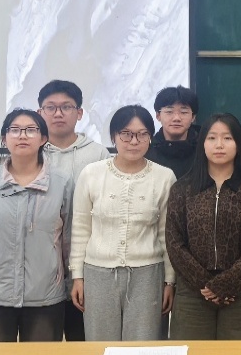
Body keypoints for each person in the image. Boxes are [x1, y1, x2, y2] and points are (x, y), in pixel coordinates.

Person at [0, 109, 72, 342]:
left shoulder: (62, 183)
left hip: (45, 295)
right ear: (4, 138)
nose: (22, 135)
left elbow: (69, 239)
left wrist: (71, 283)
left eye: (31, 130)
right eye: (15, 130)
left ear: (43, 138)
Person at [69, 105, 177, 341]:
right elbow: (80, 228)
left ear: (150, 137)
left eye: (142, 134)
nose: (134, 141)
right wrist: (77, 276)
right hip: (98, 273)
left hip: (148, 274)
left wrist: (169, 280)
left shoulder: (164, 177)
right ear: (113, 136)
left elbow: (167, 233)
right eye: (126, 134)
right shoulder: (91, 174)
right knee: (100, 345)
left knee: (144, 348)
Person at [165, 113, 241, 340]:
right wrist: (206, 285)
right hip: (193, 291)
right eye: (212, 138)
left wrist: (227, 283)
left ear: (238, 143)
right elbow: (174, 241)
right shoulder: (183, 188)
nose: (219, 145)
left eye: (227, 138)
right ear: (202, 143)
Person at [37, 79, 109, 342]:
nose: (58, 113)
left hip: (87, 261)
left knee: (84, 340)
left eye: (66, 107)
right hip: (42, 263)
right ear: (40, 113)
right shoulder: (32, 153)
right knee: (44, 344)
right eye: (51, 107)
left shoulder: (98, 154)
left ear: (79, 113)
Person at [145, 85, 200, 179]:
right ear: (158, 115)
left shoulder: (204, 150)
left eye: (183, 112)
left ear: (193, 117)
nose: (176, 118)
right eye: (169, 112)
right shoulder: (146, 151)